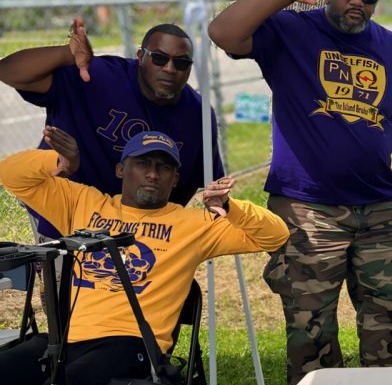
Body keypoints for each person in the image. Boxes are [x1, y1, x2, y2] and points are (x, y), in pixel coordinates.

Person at [207, 0, 392, 385]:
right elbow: (223, 32)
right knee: (310, 324)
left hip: (379, 208)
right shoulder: (291, 31)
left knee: (387, 315)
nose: (358, 2)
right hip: (307, 208)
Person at [0, 130, 288, 385]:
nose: (153, 173)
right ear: (122, 170)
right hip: (65, 341)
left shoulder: (192, 224)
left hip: (132, 347)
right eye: (143, 164)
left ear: (175, 178)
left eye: (163, 167)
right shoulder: (82, 203)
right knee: (15, 367)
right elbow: (11, 175)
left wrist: (229, 207)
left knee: (65, 382)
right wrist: (58, 161)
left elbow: (276, 234)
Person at [0, 18, 224, 239]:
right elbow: (8, 72)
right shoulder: (94, 76)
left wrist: (156, 222)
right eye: (159, 58)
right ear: (140, 56)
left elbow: (190, 180)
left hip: (138, 230)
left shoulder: (198, 114)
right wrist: (66, 54)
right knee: (70, 276)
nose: (170, 68)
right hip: (67, 217)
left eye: (182, 63)